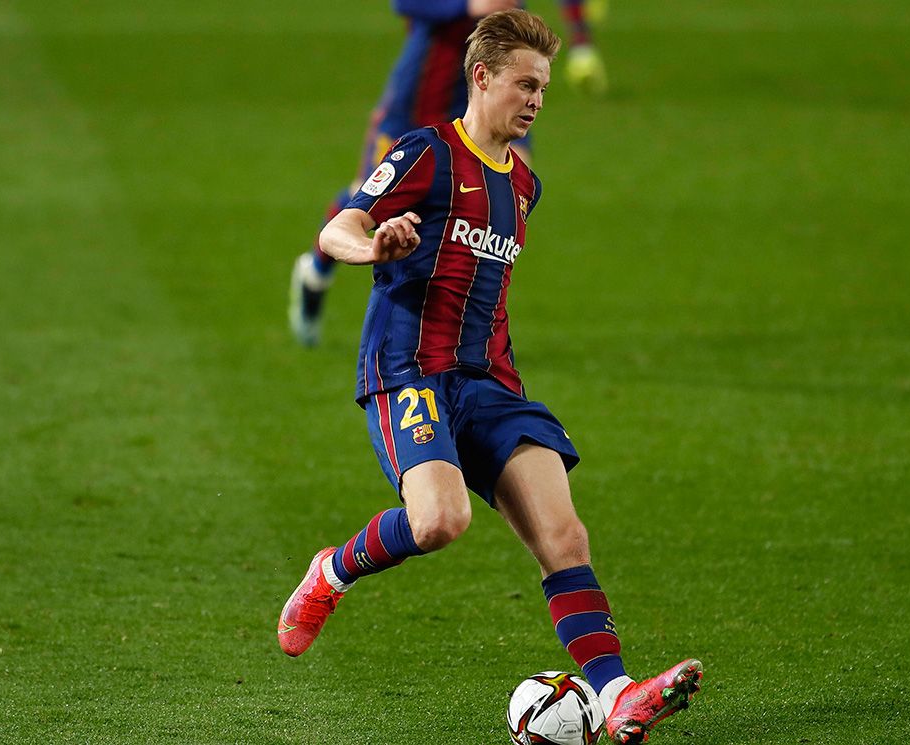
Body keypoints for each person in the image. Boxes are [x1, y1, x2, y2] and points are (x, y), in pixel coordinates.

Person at [276, 11, 700, 743]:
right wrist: (374, 244)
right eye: (524, 84)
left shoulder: (525, 183)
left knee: (564, 534)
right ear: (482, 77)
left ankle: (621, 693)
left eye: (543, 86)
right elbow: (336, 227)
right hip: (409, 373)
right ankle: (331, 572)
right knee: (442, 521)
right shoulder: (426, 153)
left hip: (491, 383)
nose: (537, 99)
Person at [288, 0, 607, 347]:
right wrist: (467, 6)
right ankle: (315, 274)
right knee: (368, 194)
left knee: (510, 186)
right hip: (423, 92)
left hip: (498, 91)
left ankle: (461, 325)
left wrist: (581, 40)